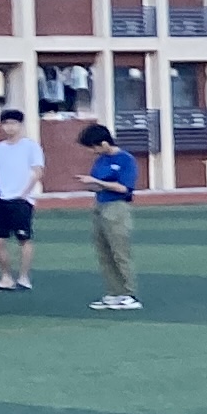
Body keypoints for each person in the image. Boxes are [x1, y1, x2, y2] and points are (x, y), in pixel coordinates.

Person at [82, 123, 141, 308]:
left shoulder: (125, 160)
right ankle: (114, 292)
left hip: (117, 208)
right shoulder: (101, 160)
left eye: (94, 147)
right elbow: (96, 183)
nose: (93, 151)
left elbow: (124, 188)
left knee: (120, 252)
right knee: (104, 253)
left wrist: (98, 182)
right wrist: (91, 184)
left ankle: (129, 293)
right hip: (100, 205)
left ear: (104, 143)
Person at [0, 106, 39, 292]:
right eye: (6, 123)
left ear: (20, 125)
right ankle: (6, 277)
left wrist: (24, 194)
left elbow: (37, 171)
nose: (9, 127)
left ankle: (24, 277)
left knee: (23, 238)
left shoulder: (30, 146)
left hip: (21, 199)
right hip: (0, 198)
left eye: (13, 123)